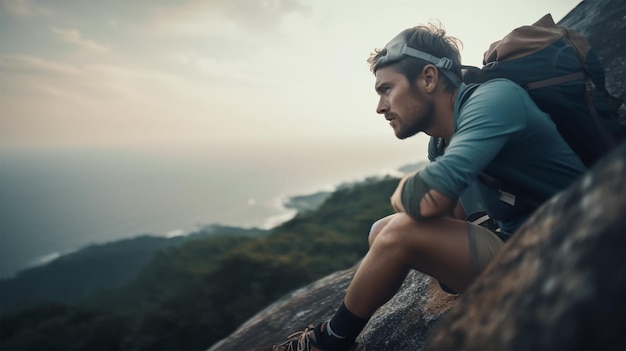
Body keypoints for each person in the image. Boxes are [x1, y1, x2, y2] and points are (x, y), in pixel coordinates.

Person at [272, 22, 586, 351]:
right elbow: (450, 211)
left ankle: (327, 341)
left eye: (387, 89)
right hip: (525, 245)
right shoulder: (441, 140)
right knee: (382, 231)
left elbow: (426, 201)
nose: (380, 107)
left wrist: (416, 191)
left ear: (428, 78)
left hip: (575, 253)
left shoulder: (495, 100)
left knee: (399, 233)